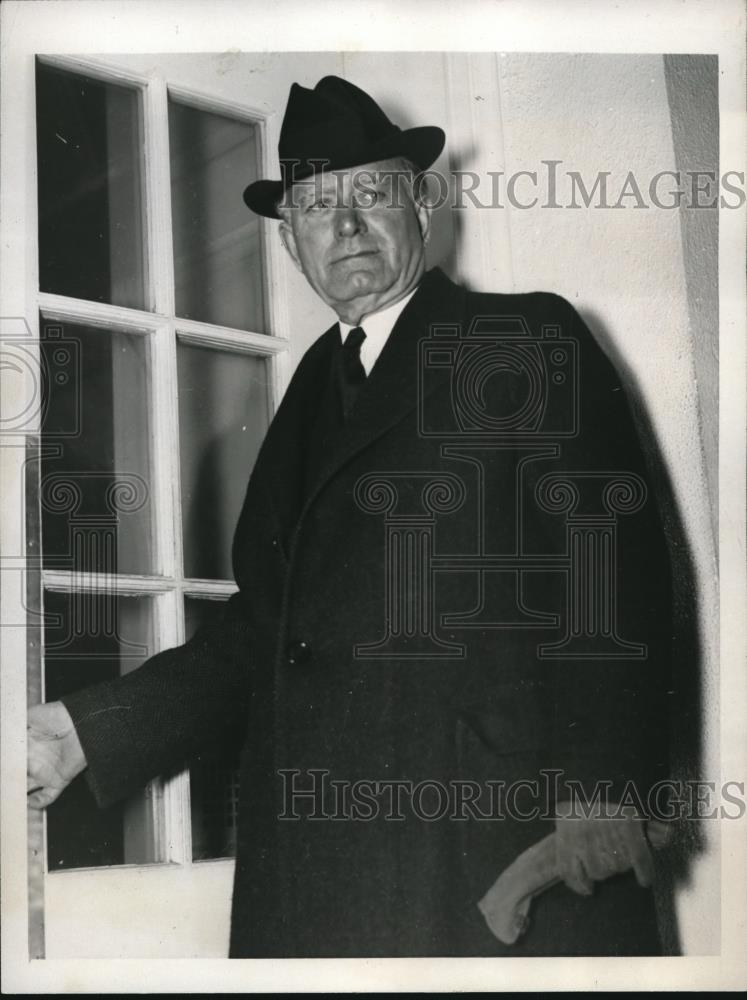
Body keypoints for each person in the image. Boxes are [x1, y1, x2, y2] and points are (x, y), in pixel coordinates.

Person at [27, 75, 672, 957]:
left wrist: (604, 787)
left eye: (370, 192)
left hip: (491, 846)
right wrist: (85, 734)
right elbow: (266, 629)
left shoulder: (522, 338)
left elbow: (615, 572)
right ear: (290, 242)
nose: (347, 224)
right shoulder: (307, 397)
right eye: (317, 204)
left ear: (422, 205)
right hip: (317, 871)